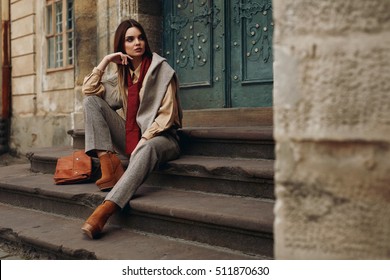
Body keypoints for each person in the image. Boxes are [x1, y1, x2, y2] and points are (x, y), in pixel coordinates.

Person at [80, 19, 182, 239]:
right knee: (91, 102)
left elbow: (167, 116)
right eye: (130, 39)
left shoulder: (161, 70)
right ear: (121, 45)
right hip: (132, 139)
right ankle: (111, 167)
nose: (138, 43)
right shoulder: (122, 76)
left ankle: (106, 209)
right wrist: (106, 60)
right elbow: (88, 91)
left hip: (162, 138)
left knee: (147, 149)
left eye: (140, 37)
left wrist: (144, 141)